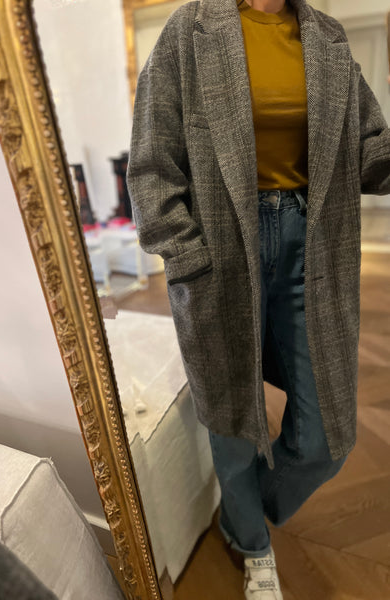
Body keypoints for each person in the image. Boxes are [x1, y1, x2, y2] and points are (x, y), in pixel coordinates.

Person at [126, 0, 390, 598]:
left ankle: (244, 504)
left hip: (313, 245)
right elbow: (151, 164)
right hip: (220, 249)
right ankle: (251, 542)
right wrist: (187, 257)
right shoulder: (188, 31)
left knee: (325, 438)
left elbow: (369, 148)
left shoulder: (326, 37)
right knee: (231, 419)